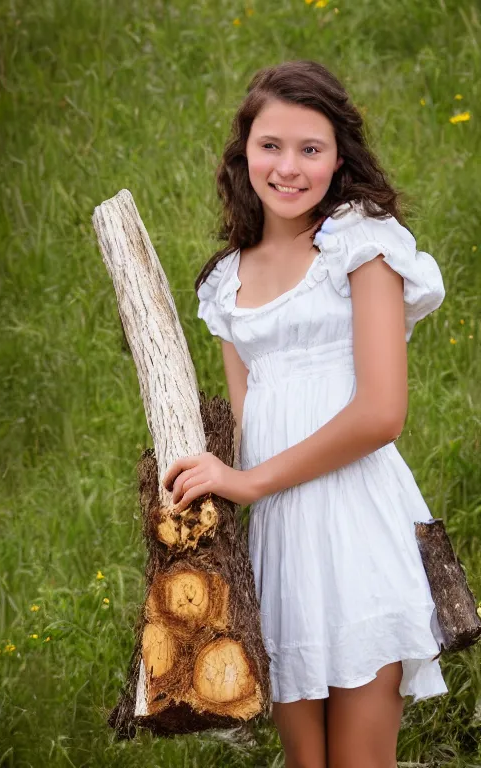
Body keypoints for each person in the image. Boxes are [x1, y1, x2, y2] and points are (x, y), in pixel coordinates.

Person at [162, 60, 448, 768]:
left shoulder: (359, 243)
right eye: (271, 146)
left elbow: (382, 412)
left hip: (354, 527)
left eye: (310, 149)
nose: (289, 167)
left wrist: (249, 482)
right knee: (304, 762)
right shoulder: (227, 282)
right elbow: (248, 421)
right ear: (243, 155)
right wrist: (208, 483)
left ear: (339, 156)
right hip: (281, 543)